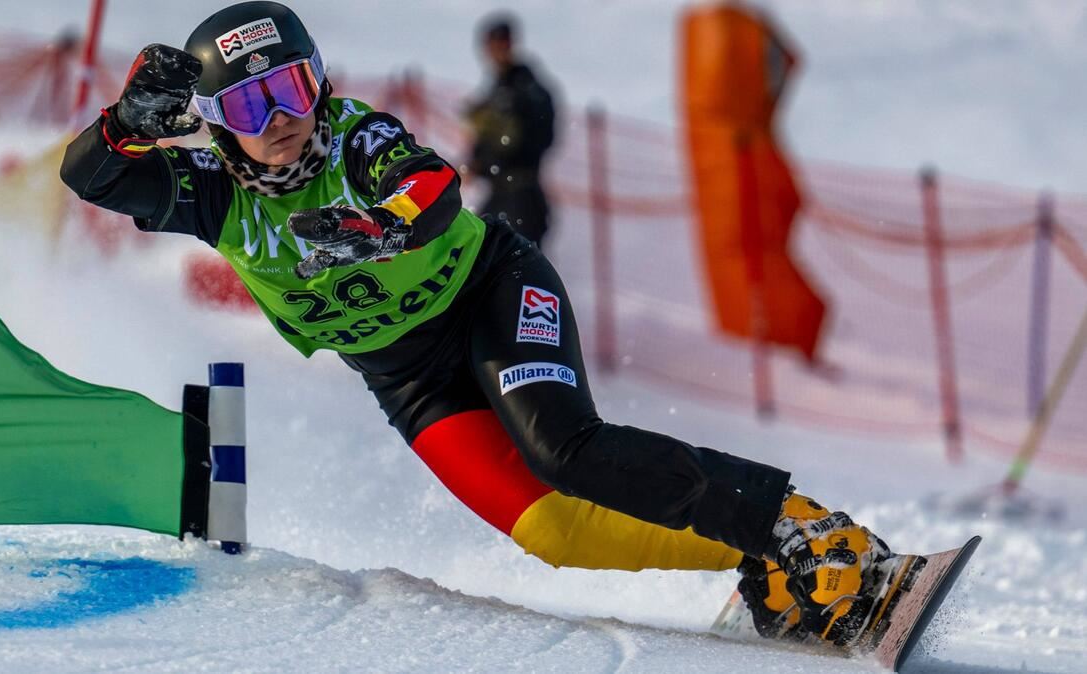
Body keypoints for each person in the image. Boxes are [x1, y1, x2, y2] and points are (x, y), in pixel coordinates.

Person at [61, 1, 897, 647]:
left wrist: (381, 223)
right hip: (409, 377)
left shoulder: (355, 137)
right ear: (213, 123)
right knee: (557, 531)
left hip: (491, 293)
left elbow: (432, 187)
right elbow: (89, 176)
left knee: (564, 448)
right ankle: (758, 555)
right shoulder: (212, 190)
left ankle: (802, 527)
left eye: (292, 88)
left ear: (319, 82)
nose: (280, 118)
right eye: (250, 105)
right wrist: (125, 125)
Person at [463, 13, 555, 248]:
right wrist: (477, 160)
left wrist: (490, 159)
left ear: (510, 43)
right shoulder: (498, 89)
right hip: (500, 195)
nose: (495, 51)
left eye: (500, 43)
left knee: (520, 268)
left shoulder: (526, 90)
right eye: (491, 45)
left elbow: (535, 140)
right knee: (478, 253)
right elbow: (487, 139)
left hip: (521, 196)